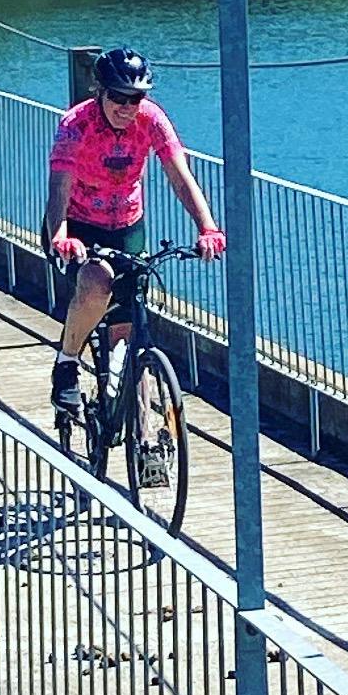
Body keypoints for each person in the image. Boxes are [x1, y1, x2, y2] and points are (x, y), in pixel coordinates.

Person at [43, 48, 225, 437]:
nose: (128, 107)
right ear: (100, 93)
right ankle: (67, 362)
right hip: (78, 226)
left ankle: (141, 439)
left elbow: (180, 177)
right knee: (95, 285)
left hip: (126, 224)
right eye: (118, 98)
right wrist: (60, 234)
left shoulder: (152, 120)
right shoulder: (77, 125)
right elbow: (59, 186)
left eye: (136, 99)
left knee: (127, 331)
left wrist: (208, 227)